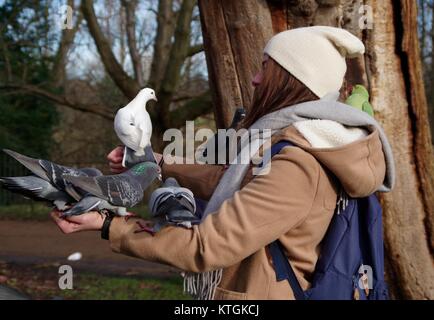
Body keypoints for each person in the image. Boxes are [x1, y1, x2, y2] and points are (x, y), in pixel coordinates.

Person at [51, 26, 394, 300]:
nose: (256, 80)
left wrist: (109, 224)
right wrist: (156, 162)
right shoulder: (298, 141)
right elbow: (232, 180)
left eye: (266, 68)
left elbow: (204, 246)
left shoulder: (299, 162)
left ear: (293, 79)